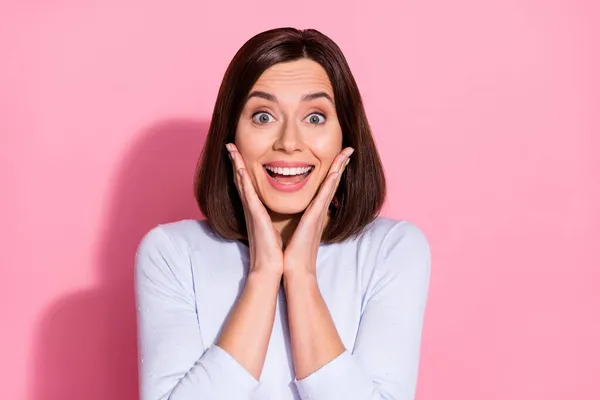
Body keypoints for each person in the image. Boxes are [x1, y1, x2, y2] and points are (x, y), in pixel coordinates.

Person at [134, 27, 431, 400]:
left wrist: (301, 275)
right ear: (231, 134)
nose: (289, 142)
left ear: (347, 134)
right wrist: (262, 275)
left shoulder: (391, 249)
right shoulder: (172, 253)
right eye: (263, 116)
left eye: (315, 117)